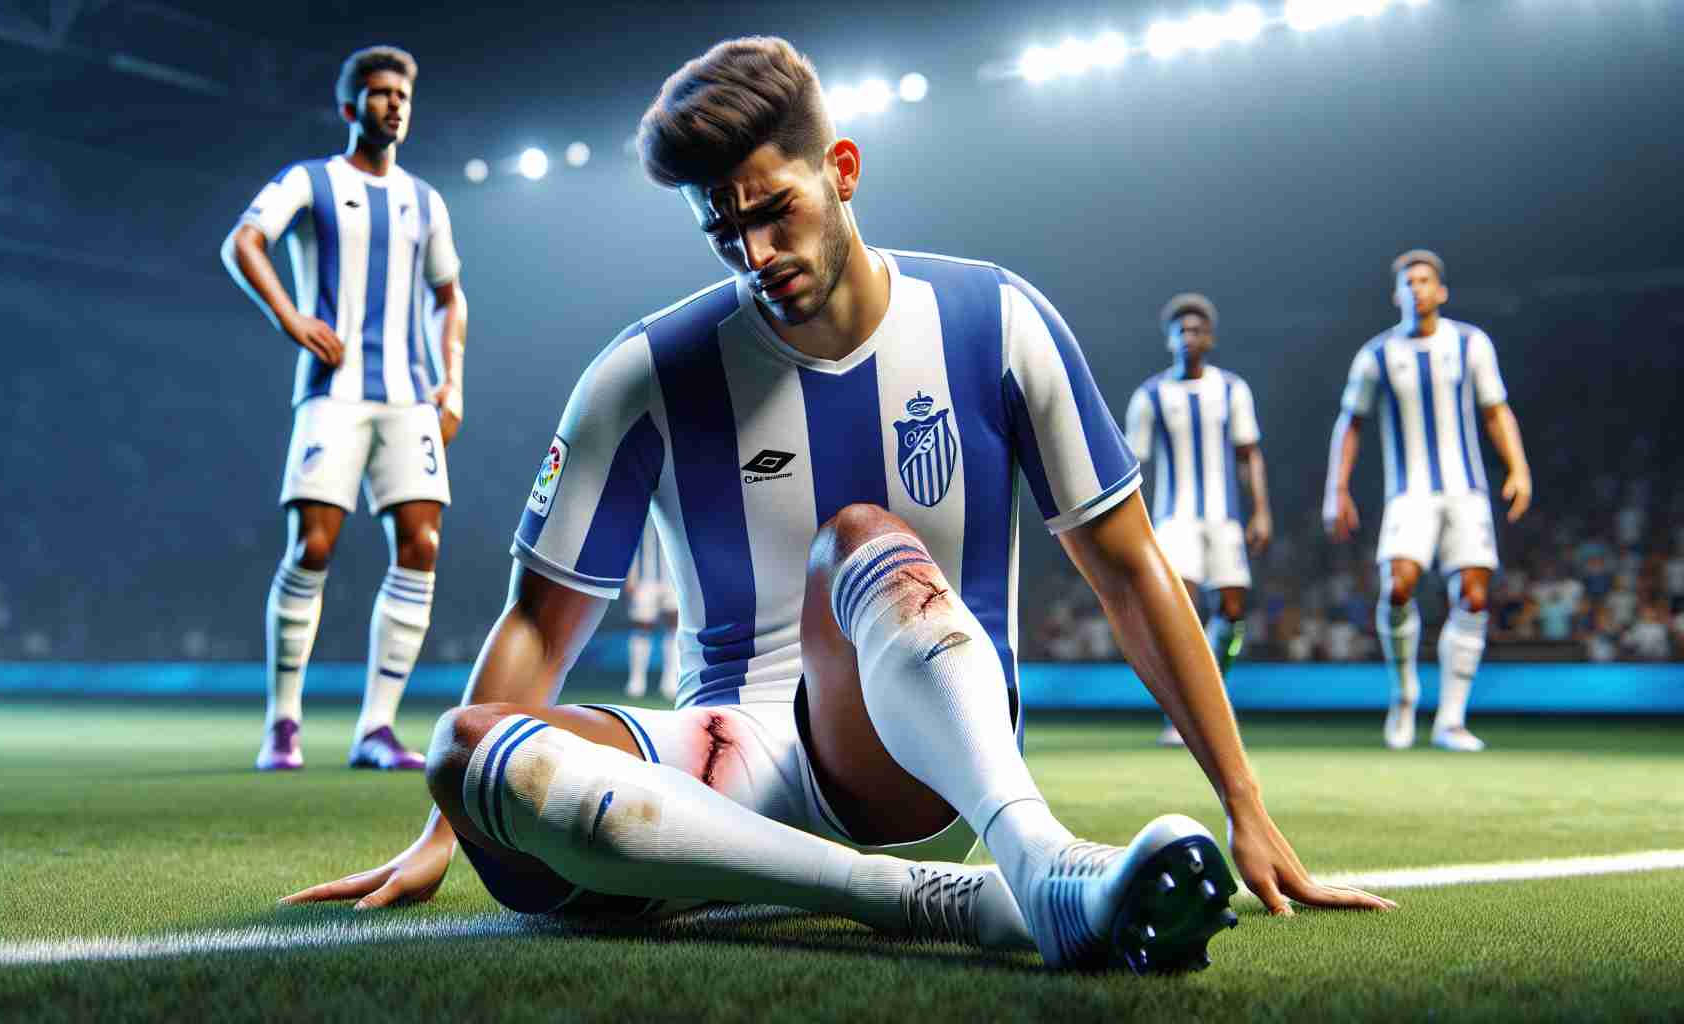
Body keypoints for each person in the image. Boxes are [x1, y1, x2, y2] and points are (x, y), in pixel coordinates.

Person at [284, 37, 1390, 974]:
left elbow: (1131, 569)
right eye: (723, 230)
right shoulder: (645, 372)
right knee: (465, 747)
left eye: (775, 210)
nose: (757, 254)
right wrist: (446, 827)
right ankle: (944, 905)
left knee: (859, 537)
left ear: (842, 169)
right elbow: (537, 621)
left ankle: (1034, 852)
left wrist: (1241, 798)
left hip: (911, 759)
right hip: (712, 768)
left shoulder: (995, 321)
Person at [220, 45, 468, 771]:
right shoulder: (311, 181)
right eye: (381, 92)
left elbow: (449, 293)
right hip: (334, 391)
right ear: (350, 106)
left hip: (409, 395)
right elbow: (245, 240)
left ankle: (377, 728)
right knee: (313, 548)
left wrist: (453, 383)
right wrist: (292, 319)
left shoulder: (428, 201)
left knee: (421, 547)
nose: (394, 104)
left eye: (403, 96)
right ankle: (283, 724)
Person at [1323, 250, 1532, 751]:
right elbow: (1350, 424)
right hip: (1408, 493)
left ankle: (1452, 720)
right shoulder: (1375, 355)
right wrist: (1338, 487)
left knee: (1475, 596)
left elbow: (1495, 410)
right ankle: (1404, 697)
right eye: (1407, 282)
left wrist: (1519, 467)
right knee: (1397, 588)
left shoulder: (1471, 343)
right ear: (1397, 295)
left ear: (1441, 291)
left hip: (1467, 491)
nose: (1416, 288)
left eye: (1424, 280)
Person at [1124, 294, 1272, 746]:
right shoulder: (1150, 395)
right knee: (1183, 610)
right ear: (1170, 339)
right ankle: (1184, 712)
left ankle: (1214, 693)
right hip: (1175, 520)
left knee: (1231, 612)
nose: (1189, 337)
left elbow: (1250, 455)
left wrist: (1261, 511)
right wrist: (1137, 527)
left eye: (1196, 330)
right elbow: (1134, 467)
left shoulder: (1233, 389)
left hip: (1224, 520)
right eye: (1181, 331)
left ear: (1209, 338)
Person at [623, 520, 680, 700]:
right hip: (645, 579)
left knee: (675, 627)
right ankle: (636, 681)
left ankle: (670, 680)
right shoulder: (639, 506)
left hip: (672, 578)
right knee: (642, 627)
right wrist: (630, 576)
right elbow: (628, 542)